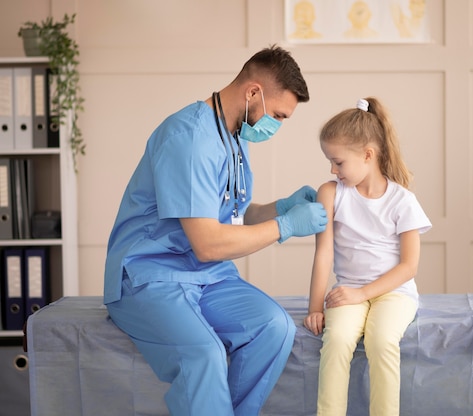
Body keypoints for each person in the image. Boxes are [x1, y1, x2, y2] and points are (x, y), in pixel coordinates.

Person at [103, 45, 328, 416]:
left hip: (205, 276)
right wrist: (284, 226)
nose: (277, 125)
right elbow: (208, 243)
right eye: (278, 115)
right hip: (149, 276)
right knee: (203, 355)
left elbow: (232, 216)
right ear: (253, 92)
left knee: (274, 327)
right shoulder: (189, 139)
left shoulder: (235, 135)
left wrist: (281, 208)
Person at [304, 97, 431, 415]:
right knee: (337, 341)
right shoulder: (331, 193)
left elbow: (409, 266)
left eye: (338, 162)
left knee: (382, 341)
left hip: (395, 294)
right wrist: (315, 307)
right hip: (349, 293)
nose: (332, 169)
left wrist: (363, 292)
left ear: (368, 155)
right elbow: (324, 254)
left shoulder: (403, 200)